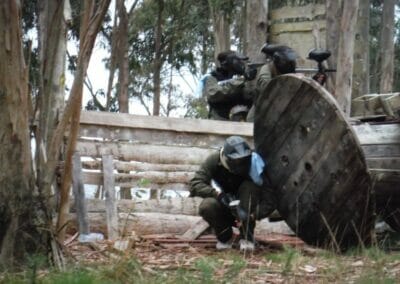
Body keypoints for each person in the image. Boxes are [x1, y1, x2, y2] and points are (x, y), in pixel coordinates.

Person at [189, 136, 276, 251]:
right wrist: (217, 194)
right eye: (237, 161)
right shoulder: (214, 160)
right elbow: (195, 183)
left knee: (250, 187)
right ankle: (225, 238)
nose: (241, 165)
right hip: (223, 205)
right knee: (207, 205)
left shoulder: (255, 164)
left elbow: (270, 197)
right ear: (227, 159)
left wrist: (254, 215)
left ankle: (246, 237)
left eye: (244, 161)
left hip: (246, 210)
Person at [198, 51, 258, 121]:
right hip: (219, 122)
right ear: (227, 63)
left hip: (241, 121)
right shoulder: (212, 77)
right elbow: (213, 94)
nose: (241, 64)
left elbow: (250, 95)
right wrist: (242, 79)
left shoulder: (240, 78)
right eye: (237, 61)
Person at [246, 43, 297, 122]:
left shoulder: (287, 71)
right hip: (260, 117)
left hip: (278, 113)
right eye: (288, 62)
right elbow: (269, 90)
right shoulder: (266, 72)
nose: (291, 64)